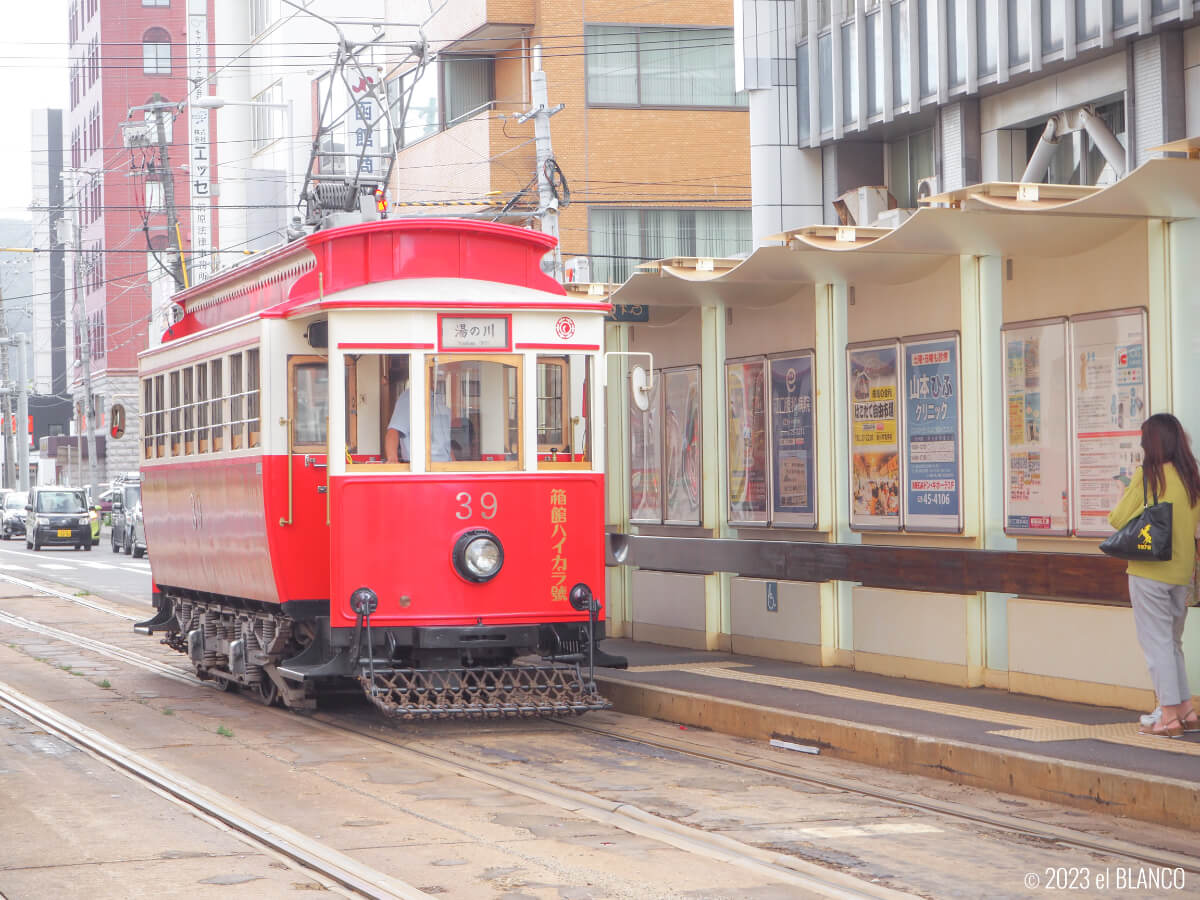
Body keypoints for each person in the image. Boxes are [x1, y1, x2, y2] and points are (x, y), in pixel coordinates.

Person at [1107, 413, 1200, 737]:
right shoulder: (1191, 477)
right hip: (1182, 574)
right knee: (1173, 643)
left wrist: (1123, 491)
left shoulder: (1148, 475)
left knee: (1156, 644)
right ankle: (1186, 710)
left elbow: (1118, 519)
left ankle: (1169, 718)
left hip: (1149, 571)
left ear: (1152, 443)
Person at [384, 386, 452, 463]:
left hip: (445, 468)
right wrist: (392, 460)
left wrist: (454, 464)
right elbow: (393, 431)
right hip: (421, 468)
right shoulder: (412, 396)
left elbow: (445, 443)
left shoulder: (439, 399)